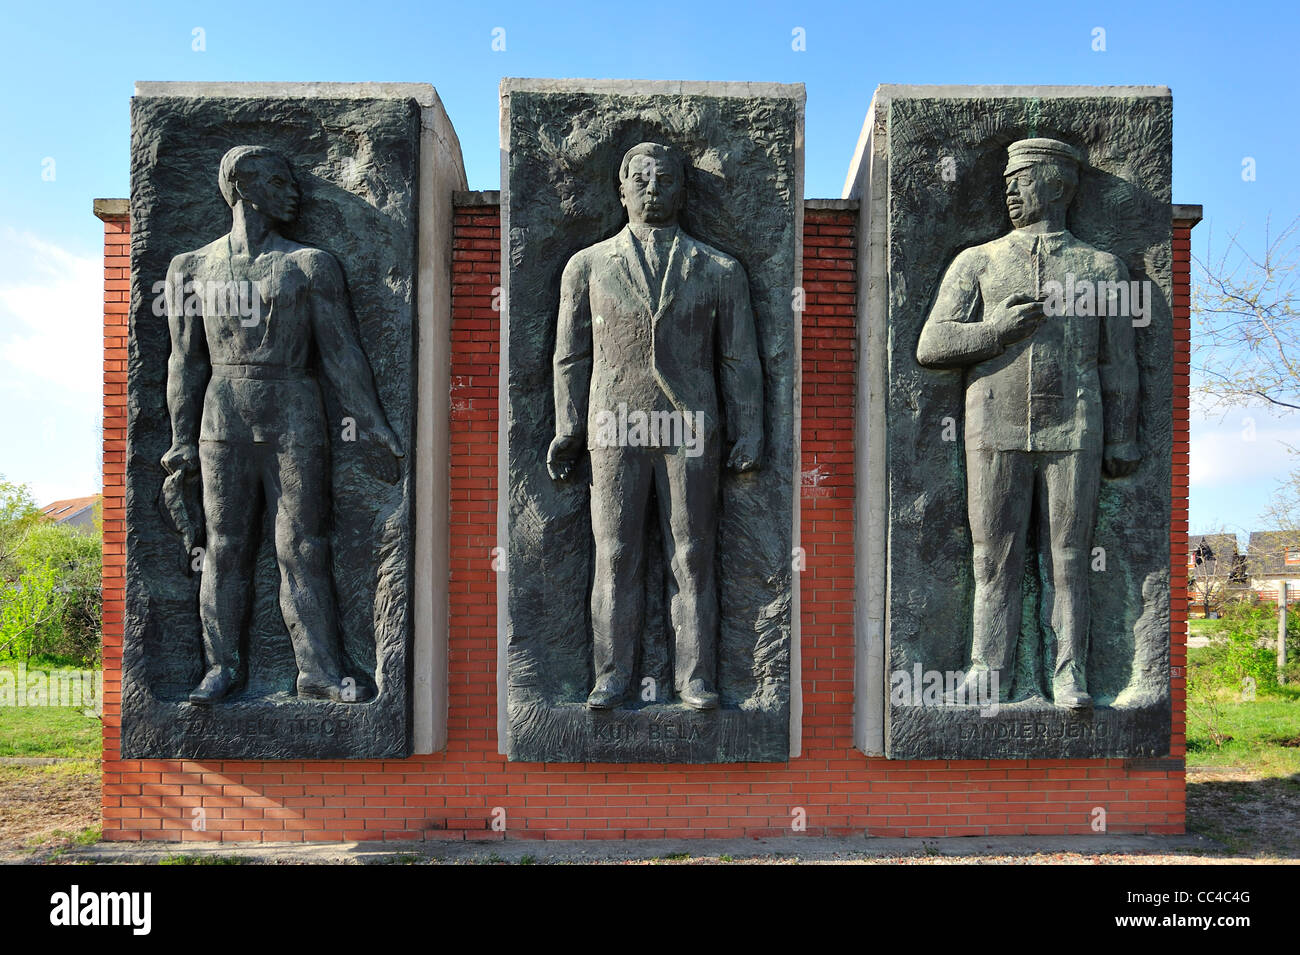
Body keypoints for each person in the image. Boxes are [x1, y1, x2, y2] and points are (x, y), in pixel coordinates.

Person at [162, 145, 403, 704]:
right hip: (221, 418)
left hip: (295, 411)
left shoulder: (310, 264)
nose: (293, 190)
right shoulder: (191, 268)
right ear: (243, 186)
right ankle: (221, 667)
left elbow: (342, 355)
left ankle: (317, 669)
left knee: (303, 545)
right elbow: (184, 360)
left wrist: (374, 425)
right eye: (278, 179)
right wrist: (179, 439)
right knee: (223, 545)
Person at [916, 137, 1141, 709]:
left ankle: (1070, 674)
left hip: (1074, 428)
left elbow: (1118, 360)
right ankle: (987, 670)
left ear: (1059, 185)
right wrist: (995, 332)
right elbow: (932, 343)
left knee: (1068, 559)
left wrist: (1123, 433)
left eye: (1024, 178)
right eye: (1007, 181)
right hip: (994, 427)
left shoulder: (1101, 267)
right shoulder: (980, 261)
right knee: (992, 557)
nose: (1010, 190)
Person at [547, 142, 764, 710]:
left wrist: (751, 429)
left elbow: (739, 358)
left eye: (663, 179)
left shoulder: (719, 268)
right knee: (615, 553)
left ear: (682, 190)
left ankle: (694, 678)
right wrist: (569, 427)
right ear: (621, 190)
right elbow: (570, 356)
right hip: (615, 425)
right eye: (640, 179)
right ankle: (611, 676)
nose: (652, 188)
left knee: (691, 555)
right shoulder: (587, 266)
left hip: (690, 428)